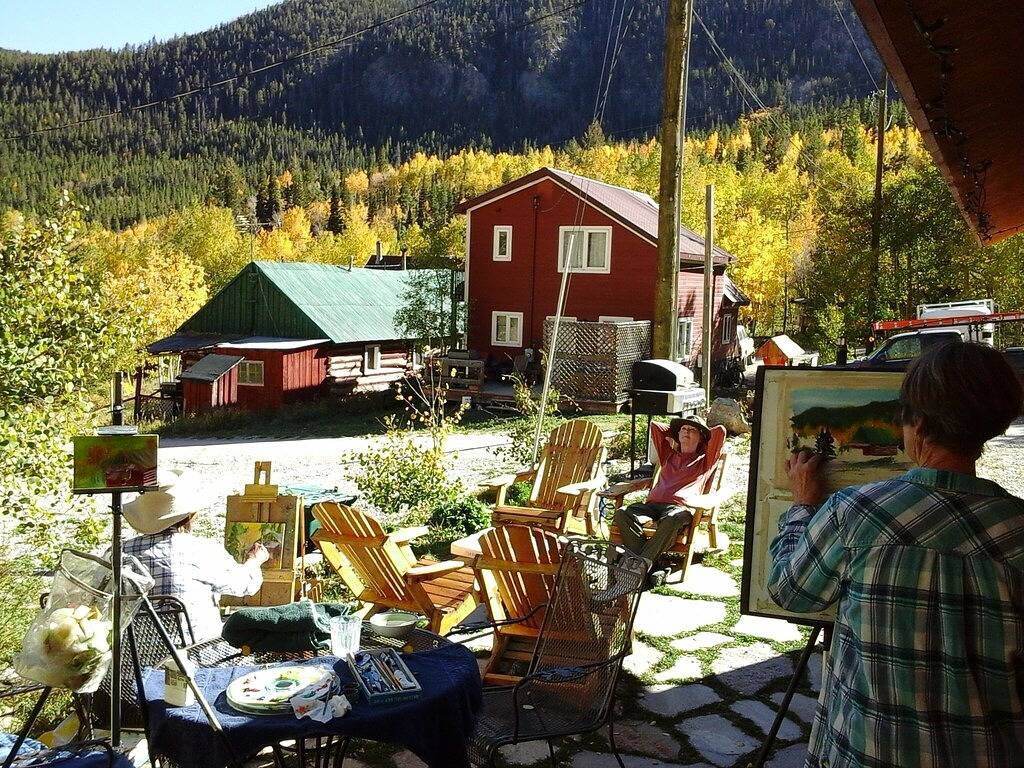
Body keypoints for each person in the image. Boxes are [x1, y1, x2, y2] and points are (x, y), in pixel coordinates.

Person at [768, 342, 1024, 768]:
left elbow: (791, 590)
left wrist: (801, 508)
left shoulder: (854, 512)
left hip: (864, 752)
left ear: (917, 423)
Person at [122, 469, 269, 641]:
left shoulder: (121, 551)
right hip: (194, 655)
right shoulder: (201, 550)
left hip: (132, 656)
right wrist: (254, 560)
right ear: (189, 516)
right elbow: (244, 585)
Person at [613, 415, 726, 574]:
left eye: (692, 430)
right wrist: (676, 431)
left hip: (679, 509)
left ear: (701, 437)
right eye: (683, 429)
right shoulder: (668, 455)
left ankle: (639, 564)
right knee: (622, 513)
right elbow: (655, 426)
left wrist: (702, 431)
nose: (686, 432)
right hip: (651, 506)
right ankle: (649, 562)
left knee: (672, 519)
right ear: (677, 435)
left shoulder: (705, 461)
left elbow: (720, 432)